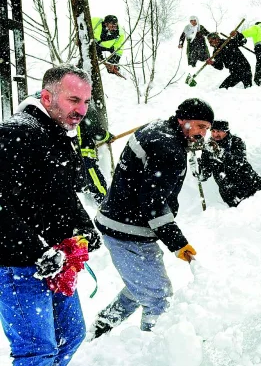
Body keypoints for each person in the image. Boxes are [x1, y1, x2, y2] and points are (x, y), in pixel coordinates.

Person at [0, 64, 102, 365]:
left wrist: (85, 229)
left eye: (86, 102)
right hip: (17, 265)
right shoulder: (16, 133)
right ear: (47, 97)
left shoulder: (57, 133)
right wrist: (37, 249)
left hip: (54, 259)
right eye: (73, 100)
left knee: (70, 335)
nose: (81, 110)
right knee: (38, 351)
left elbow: (61, 193)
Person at [89, 98, 214, 338]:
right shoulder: (170, 150)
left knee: (141, 286)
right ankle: (154, 351)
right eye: (199, 126)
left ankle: (101, 326)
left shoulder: (156, 129)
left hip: (120, 220)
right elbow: (154, 205)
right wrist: (178, 243)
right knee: (158, 297)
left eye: (206, 129)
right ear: (182, 120)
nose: (202, 134)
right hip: (128, 230)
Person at [198, 120, 261, 207]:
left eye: (219, 131)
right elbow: (205, 174)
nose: (215, 134)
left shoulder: (236, 142)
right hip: (230, 191)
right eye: (213, 131)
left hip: (249, 181)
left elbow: (239, 162)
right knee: (244, 211)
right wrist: (199, 168)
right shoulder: (208, 147)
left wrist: (221, 154)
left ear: (226, 131)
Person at [76, 104, 113, 205]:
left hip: (70, 157)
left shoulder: (65, 106)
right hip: (84, 155)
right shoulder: (83, 107)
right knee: (98, 185)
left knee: (81, 187)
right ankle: (106, 207)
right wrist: (107, 136)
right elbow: (96, 131)